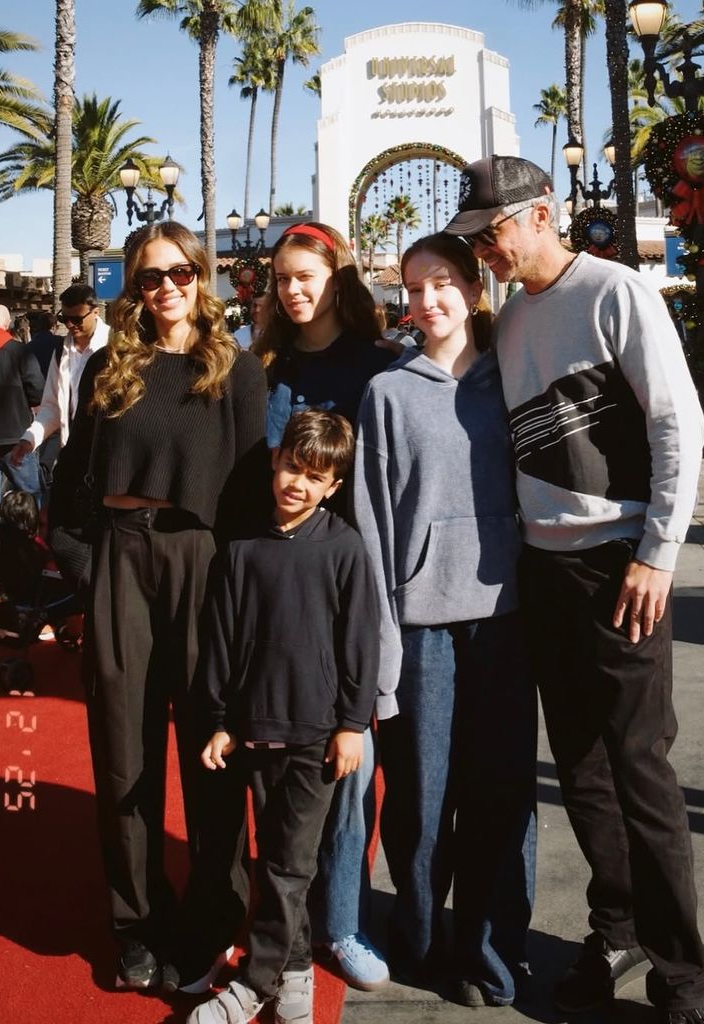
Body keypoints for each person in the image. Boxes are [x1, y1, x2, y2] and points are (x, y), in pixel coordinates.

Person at [444, 155, 704, 1024]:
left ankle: (681, 976)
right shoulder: (511, 318)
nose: (484, 250)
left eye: (493, 233)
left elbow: (678, 421)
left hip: (622, 563)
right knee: (585, 767)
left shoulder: (616, 291)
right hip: (544, 570)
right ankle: (617, 927)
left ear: (544, 213)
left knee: (640, 769)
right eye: (473, 239)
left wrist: (658, 552)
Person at [51, 221, 267, 991]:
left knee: (212, 746)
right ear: (132, 289)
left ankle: (215, 915)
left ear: (199, 277)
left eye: (179, 273)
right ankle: (136, 923)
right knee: (123, 752)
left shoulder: (234, 370)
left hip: (201, 561)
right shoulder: (108, 368)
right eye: (149, 277)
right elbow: (70, 478)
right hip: (120, 557)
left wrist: (243, 598)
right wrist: (84, 563)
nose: (166, 288)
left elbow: (248, 497)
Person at [353, 232, 537, 1008]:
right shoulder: (387, 394)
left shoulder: (514, 382)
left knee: (501, 795)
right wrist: (383, 644)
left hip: (504, 621)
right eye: (412, 288)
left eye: (440, 284)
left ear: (472, 288)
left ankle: (495, 954)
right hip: (422, 625)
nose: (425, 302)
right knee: (423, 801)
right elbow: (372, 527)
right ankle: (423, 942)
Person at [182, 409, 380, 1024]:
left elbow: (361, 646)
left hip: (319, 736)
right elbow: (220, 641)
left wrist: (352, 723)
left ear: (333, 487)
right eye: (292, 466)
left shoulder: (345, 548)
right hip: (254, 730)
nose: (297, 482)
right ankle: (293, 976)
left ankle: (251, 984)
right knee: (276, 862)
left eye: (313, 476)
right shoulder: (240, 549)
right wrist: (220, 719)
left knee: (292, 864)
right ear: (276, 461)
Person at [257, 221, 395, 991]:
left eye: (306, 276)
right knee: (276, 767)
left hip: (349, 590)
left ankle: (340, 920)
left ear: (337, 278)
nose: (294, 290)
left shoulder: (380, 369)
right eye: (282, 278)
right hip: (275, 591)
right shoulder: (263, 366)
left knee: (349, 761)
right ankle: (283, 916)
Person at [10, 284, 110, 489]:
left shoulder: (116, 346)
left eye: (77, 319)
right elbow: (53, 407)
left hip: (109, 457)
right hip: (73, 452)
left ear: (95, 312)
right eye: (65, 319)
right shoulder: (61, 351)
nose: (71, 325)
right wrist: (30, 438)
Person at [0, 303, 44, 521]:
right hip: (15, 438)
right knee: (31, 497)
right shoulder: (19, 351)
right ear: (7, 323)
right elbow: (37, 392)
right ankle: (32, 541)